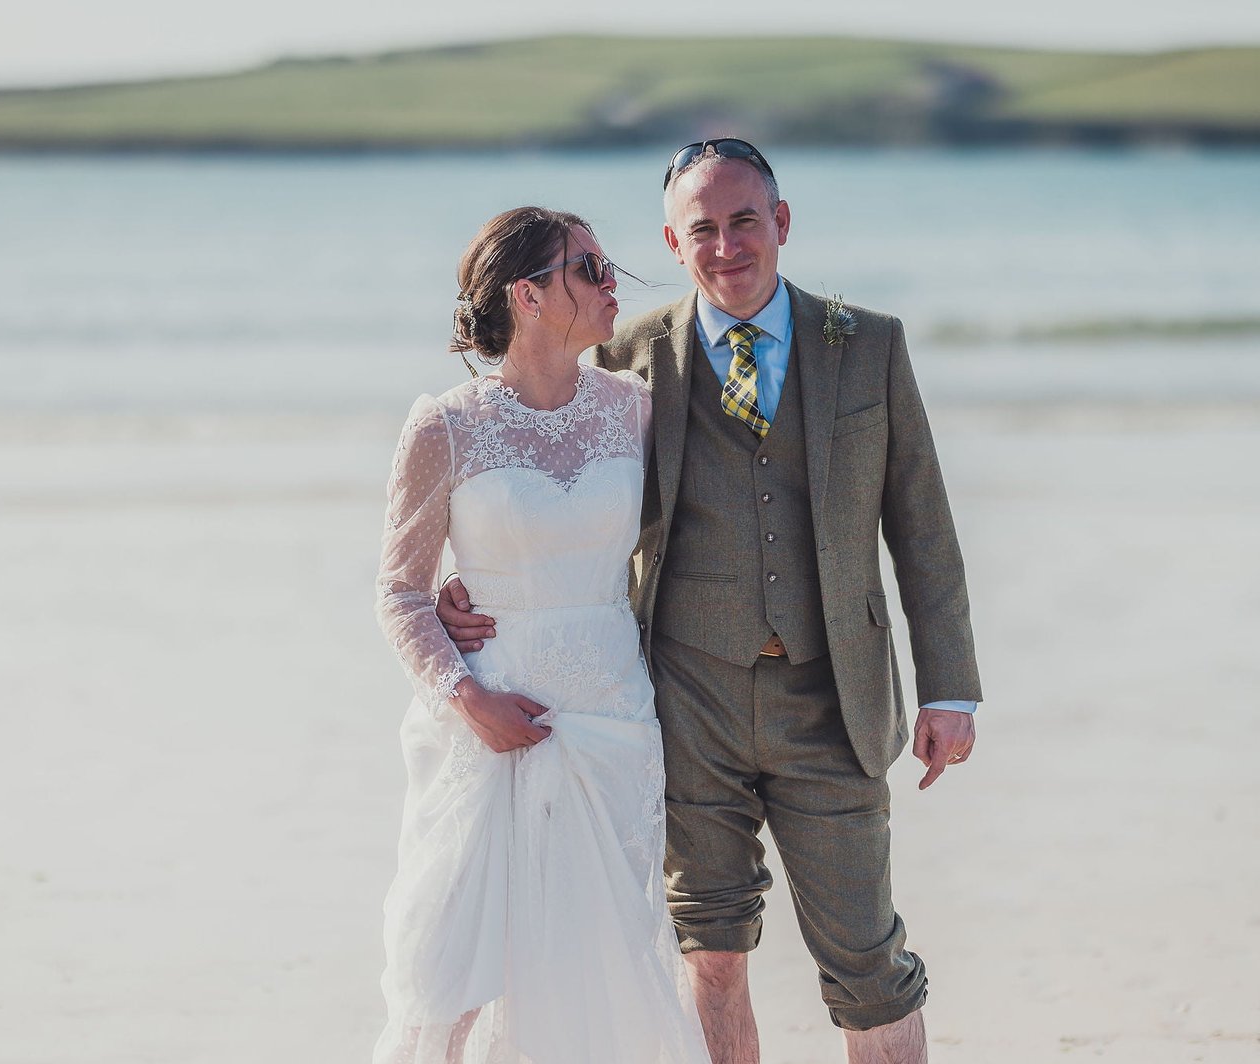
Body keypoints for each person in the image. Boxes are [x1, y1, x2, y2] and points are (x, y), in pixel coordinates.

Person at [438, 141, 982, 1064]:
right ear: (674, 242)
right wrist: (478, 581)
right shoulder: (624, 357)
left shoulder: (871, 345)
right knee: (712, 950)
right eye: (703, 229)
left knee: (868, 964)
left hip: (836, 706)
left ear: (781, 223)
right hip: (686, 706)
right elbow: (539, 467)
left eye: (743, 222)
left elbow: (922, 528)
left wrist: (951, 691)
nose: (726, 246)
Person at [372, 206, 712, 1064]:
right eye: (589, 269)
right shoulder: (444, 426)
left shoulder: (638, 411)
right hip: (487, 724)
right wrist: (467, 696)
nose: (613, 285)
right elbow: (401, 593)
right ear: (529, 294)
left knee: (595, 957)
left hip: (609, 722)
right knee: (453, 964)